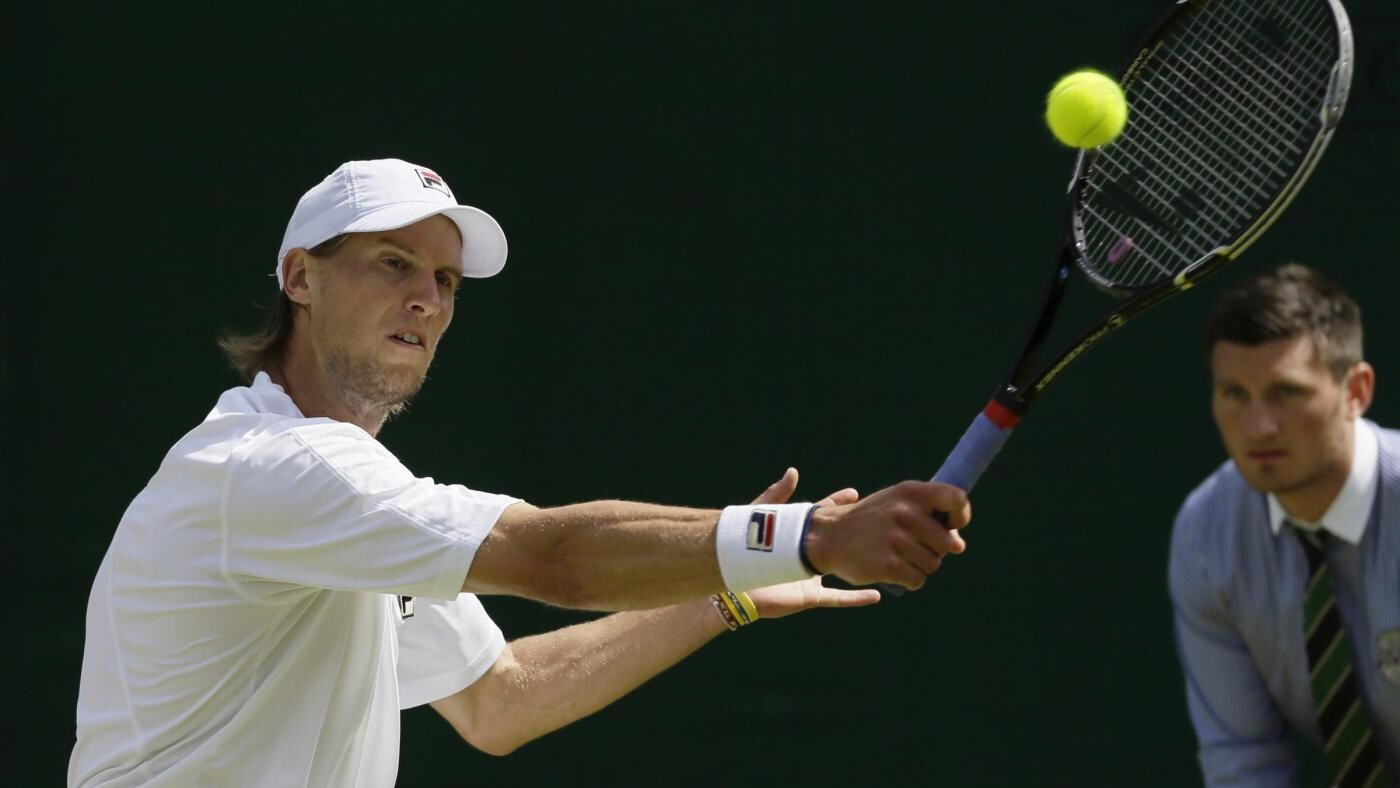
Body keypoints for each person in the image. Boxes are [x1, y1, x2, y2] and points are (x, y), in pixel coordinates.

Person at [68, 158, 973, 788]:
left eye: (445, 280)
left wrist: (723, 591)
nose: (426, 297)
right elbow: (553, 560)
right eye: (392, 263)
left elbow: (498, 700)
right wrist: (805, 537)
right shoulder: (268, 470)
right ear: (300, 278)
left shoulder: (347, 505)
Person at [1169, 263, 1398, 787]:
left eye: (1285, 392)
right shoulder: (1205, 535)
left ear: (1356, 392)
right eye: (1234, 395)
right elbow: (1244, 763)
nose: (1259, 427)